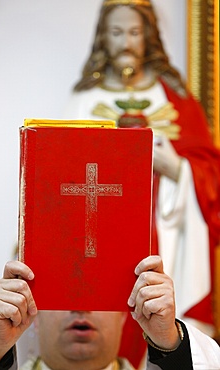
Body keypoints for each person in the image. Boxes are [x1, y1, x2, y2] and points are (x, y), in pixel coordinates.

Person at [62, 0, 220, 346]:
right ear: (104, 37)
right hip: (101, 228)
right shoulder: (85, 97)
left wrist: (177, 168)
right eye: (117, 32)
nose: (126, 42)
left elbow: (211, 171)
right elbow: (59, 170)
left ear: (149, 36)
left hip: (168, 229)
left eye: (134, 32)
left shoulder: (175, 96)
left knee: (164, 318)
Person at [0, 255, 220, 370]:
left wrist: (171, 346)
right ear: (32, 314)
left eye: (98, 289)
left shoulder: (179, 355)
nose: (81, 306)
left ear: (126, 313)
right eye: (64, 289)